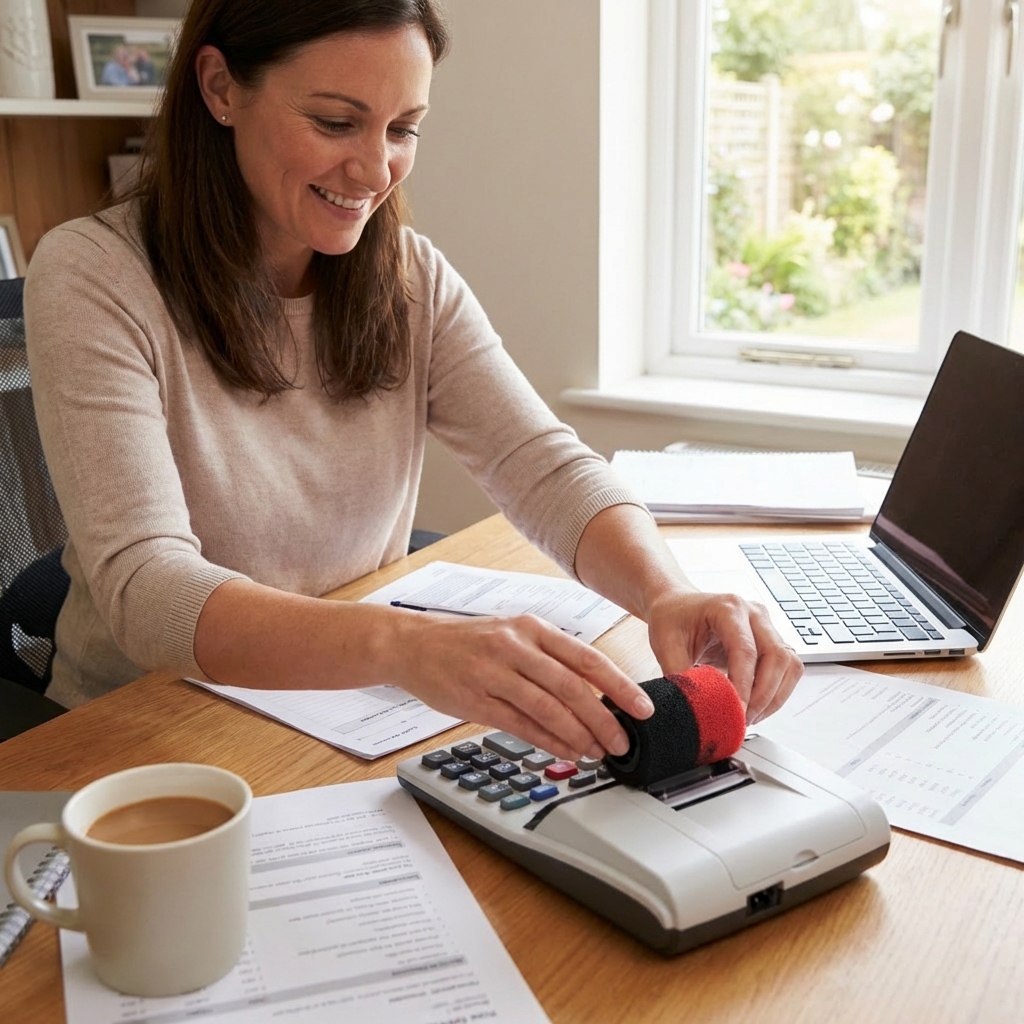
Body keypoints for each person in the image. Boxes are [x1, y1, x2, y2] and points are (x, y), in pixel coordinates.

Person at [25, 0, 802, 763]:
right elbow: (147, 588)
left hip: (339, 710)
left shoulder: (409, 278)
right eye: (335, 123)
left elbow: (545, 467)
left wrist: (665, 591)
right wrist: (407, 645)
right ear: (221, 87)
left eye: (402, 130)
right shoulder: (94, 275)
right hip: (148, 728)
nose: (374, 170)